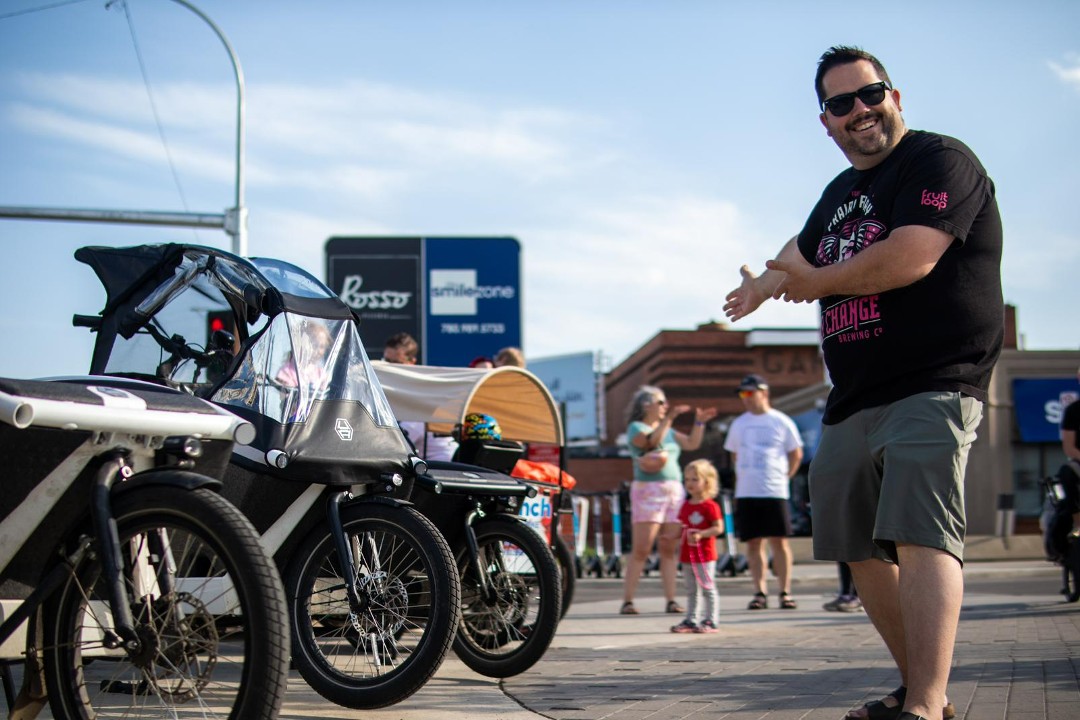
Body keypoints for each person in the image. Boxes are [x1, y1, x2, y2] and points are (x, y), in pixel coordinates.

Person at [723, 46, 1002, 720]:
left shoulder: (940, 162)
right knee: (852, 538)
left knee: (919, 530)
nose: (859, 111)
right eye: (841, 103)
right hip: (854, 395)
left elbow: (909, 257)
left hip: (935, 377)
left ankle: (926, 707)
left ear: (895, 96)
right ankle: (919, 689)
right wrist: (764, 284)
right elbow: (797, 255)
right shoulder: (840, 196)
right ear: (826, 122)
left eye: (869, 94)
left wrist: (815, 283)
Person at [620, 385, 717, 615]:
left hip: (673, 490)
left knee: (669, 546)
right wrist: (670, 418)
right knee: (642, 548)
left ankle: (671, 599)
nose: (665, 407)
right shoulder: (637, 427)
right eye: (660, 402)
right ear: (646, 405)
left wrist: (699, 423)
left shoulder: (669, 430)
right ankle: (628, 600)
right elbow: (650, 443)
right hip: (648, 491)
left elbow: (692, 444)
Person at [723, 374, 803, 611]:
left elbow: (795, 453)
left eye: (750, 393)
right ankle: (759, 592)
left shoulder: (781, 421)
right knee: (753, 543)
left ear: (764, 393)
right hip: (748, 491)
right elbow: (734, 455)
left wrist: (784, 477)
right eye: (742, 394)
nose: (745, 398)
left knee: (780, 541)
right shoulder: (739, 424)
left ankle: (785, 591)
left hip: (774, 490)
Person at [382, 333, 458, 460]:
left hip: (442, 467)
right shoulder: (386, 385)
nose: (389, 367)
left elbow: (397, 444)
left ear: (412, 362)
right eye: (386, 361)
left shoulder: (418, 390)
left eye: (396, 362)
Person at [670, 459, 723, 634]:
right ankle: (691, 619)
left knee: (707, 587)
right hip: (687, 554)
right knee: (691, 589)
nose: (689, 484)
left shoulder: (710, 506)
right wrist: (670, 536)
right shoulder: (685, 505)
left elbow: (718, 527)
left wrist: (702, 534)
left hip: (705, 555)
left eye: (695, 479)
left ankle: (711, 619)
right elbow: (681, 526)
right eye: (687, 479)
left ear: (706, 482)